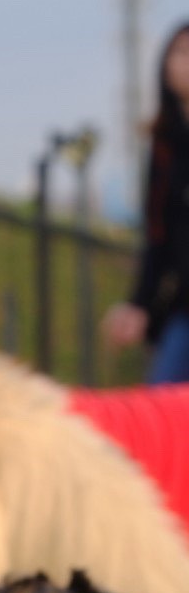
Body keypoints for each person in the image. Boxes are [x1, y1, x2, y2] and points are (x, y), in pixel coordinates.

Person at [103, 21, 189, 383]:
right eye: (178, 52)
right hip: (182, 310)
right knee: (160, 404)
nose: (181, 63)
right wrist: (139, 307)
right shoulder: (164, 144)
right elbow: (158, 237)